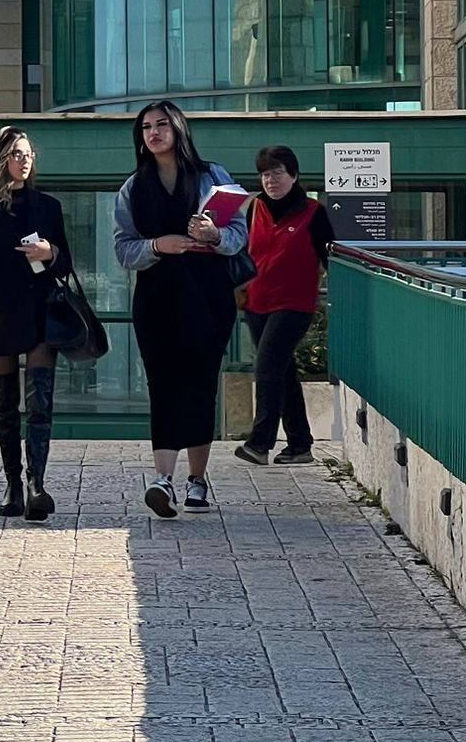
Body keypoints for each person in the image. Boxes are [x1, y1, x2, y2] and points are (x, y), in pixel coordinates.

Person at [114, 100, 249, 519]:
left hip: (208, 295)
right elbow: (123, 249)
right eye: (146, 127)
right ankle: (162, 480)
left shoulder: (213, 174)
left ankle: (197, 480)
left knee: (200, 383)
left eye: (161, 125)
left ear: (178, 129)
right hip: (156, 297)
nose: (153, 133)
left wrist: (213, 235)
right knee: (163, 384)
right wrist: (158, 245)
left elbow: (239, 235)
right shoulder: (133, 187)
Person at [0, 126, 72, 522]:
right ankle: (13, 485)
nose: (24, 161)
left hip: (41, 309)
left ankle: (37, 484)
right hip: (0, 313)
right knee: (6, 405)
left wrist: (49, 251)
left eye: (28, 155)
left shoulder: (48, 207)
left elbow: (66, 264)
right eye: (17, 154)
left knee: (40, 402)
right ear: (0, 160)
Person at [233, 146, 335, 468]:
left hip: (293, 305)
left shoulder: (314, 213)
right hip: (256, 303)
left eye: (277, 173)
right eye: (265, 174)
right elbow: (245, 251)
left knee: (266, 370)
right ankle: (300, 444)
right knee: (283, 373)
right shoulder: (255, 208)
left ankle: (260, 443)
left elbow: (330, 259)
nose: (270, 180)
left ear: (294, 175)